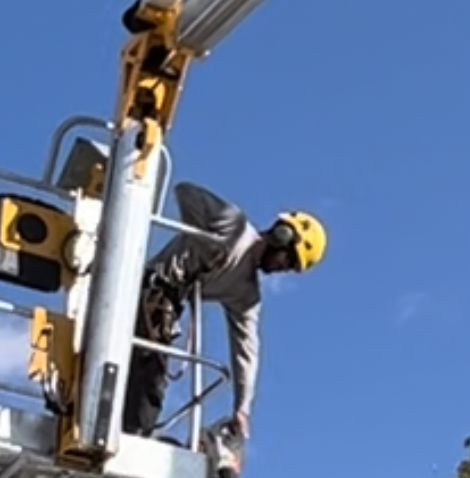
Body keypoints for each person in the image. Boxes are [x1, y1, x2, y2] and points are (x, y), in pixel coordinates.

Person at [123, 182, 326, 451]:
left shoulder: (245, 294)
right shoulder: (233, 226)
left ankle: (128, 433)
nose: (282, 269)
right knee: (145, 372)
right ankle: (131, 439)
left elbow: (247, 348)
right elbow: (185, 192)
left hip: (168, 307)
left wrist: (242, 409)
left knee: (147, 375)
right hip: (151, 289)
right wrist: (204, 239)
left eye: (290, 268)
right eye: (287, 260)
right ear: (282, 235)